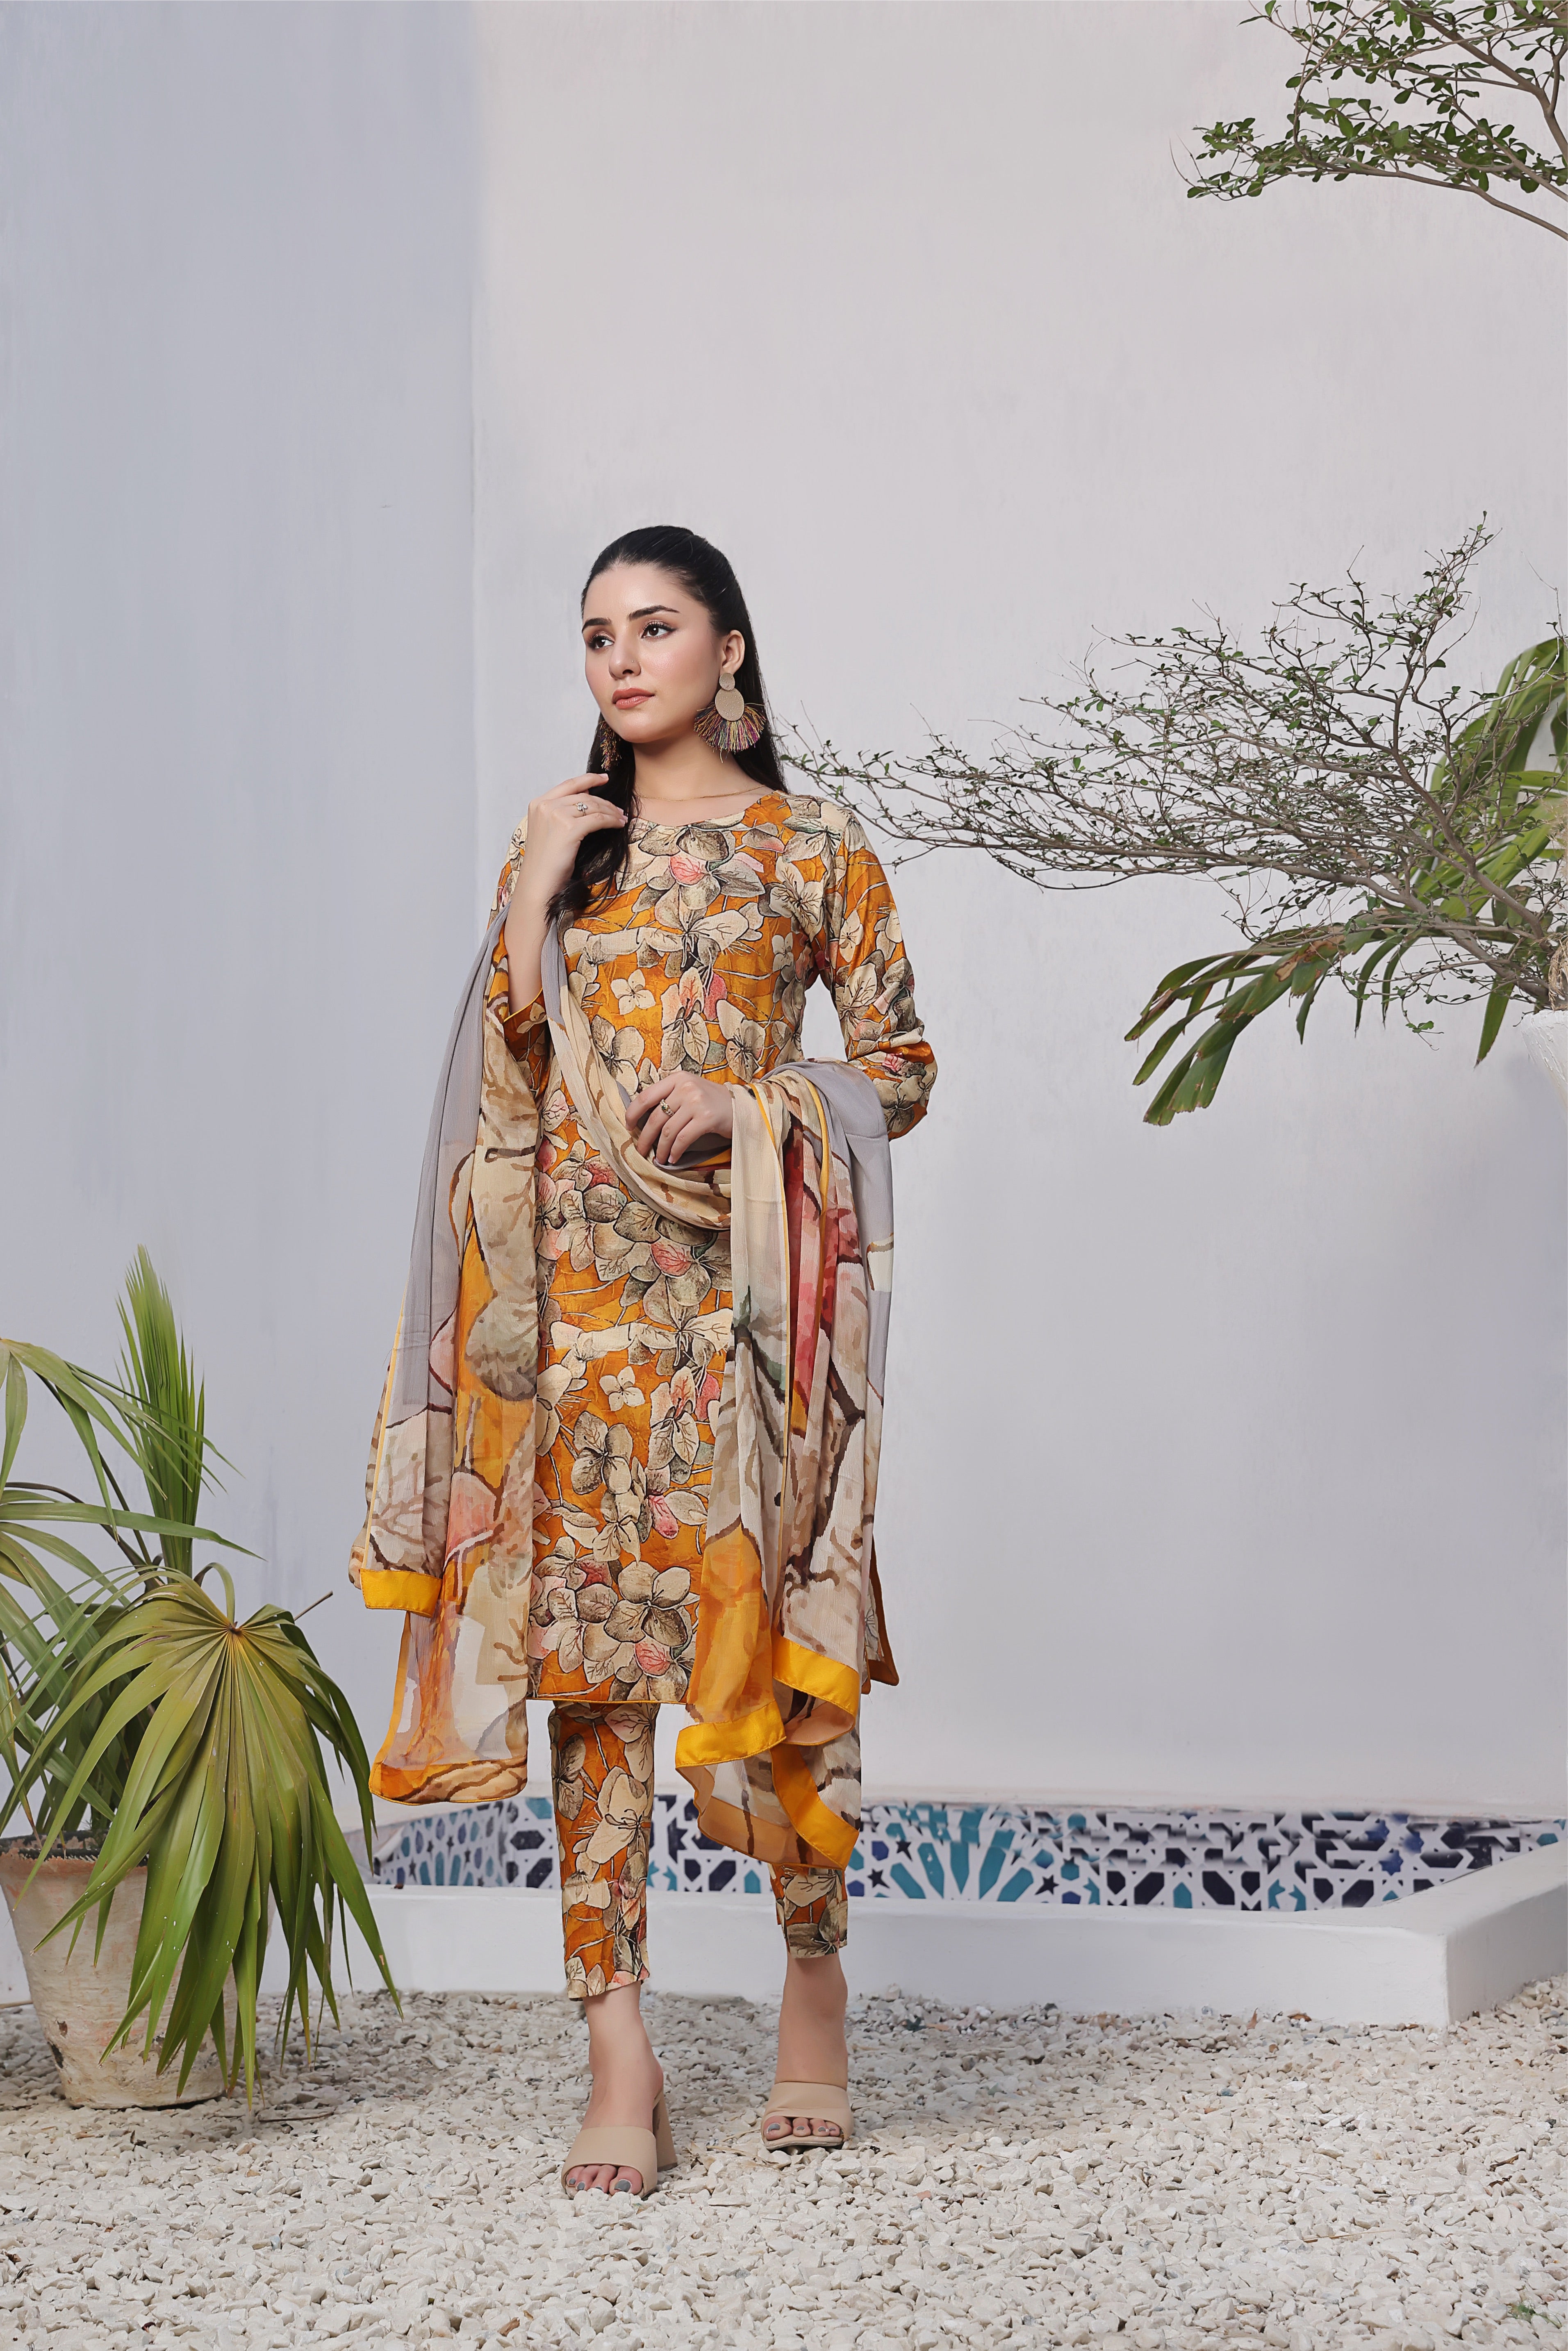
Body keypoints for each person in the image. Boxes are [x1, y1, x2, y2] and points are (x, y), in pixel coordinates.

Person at [352, 525, 935, 2197]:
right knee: (591, 1686)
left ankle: (812, 1992)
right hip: (580, 1330)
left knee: (778, 1665)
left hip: (742, 1325)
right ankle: (620, 2054)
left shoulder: (811, 846)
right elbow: (512, 1065)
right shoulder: (566, 841)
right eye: (598, 633)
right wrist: (534, 888)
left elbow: (899, 1071)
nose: (622, 659)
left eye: (657, 626)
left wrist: (756, 1104)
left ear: (729, 651)